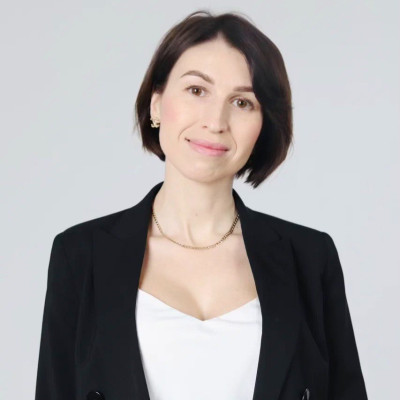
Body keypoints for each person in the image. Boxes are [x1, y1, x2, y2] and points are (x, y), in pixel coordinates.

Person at [35, 10, 369, 400]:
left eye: (242, 102)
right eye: (196, 91)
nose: (216, 121)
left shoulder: (309, 258)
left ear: (263, 125)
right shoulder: (81, 255)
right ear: (156, 104)